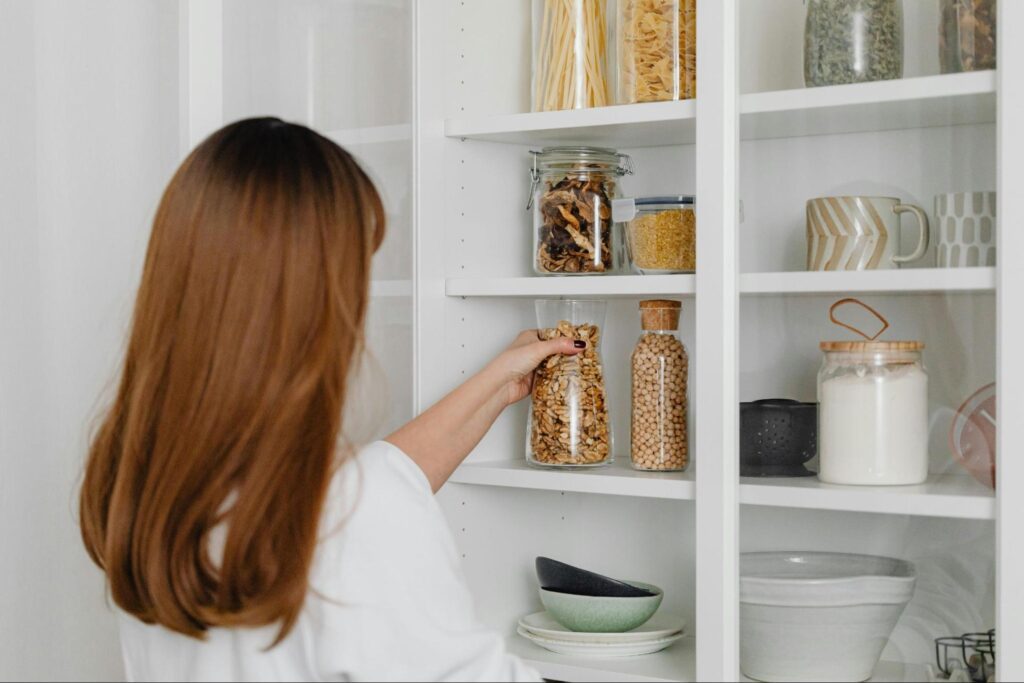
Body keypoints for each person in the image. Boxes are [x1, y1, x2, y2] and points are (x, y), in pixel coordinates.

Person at [79, 118, 584, 681]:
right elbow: (358, 506)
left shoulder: (150, 488)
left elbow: (358, 486)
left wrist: (496, 384)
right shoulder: (361, 514)